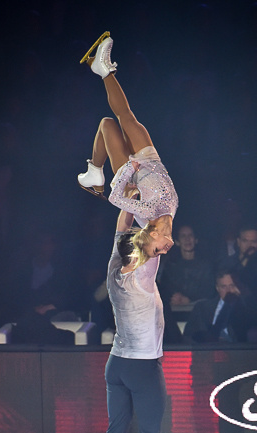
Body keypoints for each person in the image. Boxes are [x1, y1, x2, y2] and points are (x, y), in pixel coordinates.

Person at [86, 193, 171, 433]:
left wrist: (128, 197)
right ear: (139, 256)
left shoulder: (113, 266)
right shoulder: (143, 275)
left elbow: (123, 229)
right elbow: (155, 238)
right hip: (143, 366)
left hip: (116, 364)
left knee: (115, 432)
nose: (154, 251)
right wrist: (146, 205)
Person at [77, 33, 178, 267]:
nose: (163, 251)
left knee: (106, 124)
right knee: (126, 118)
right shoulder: (170, 215)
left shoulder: (150, 211)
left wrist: (128, 172)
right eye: (159, 253)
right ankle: (103, 70)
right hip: (151, 159)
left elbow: (114, 198)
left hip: (130, 171)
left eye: (156, 250)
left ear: (153, 235)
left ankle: (95, 173)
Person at [184, 270, 257, 343]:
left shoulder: (248, 310)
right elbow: (188, 336)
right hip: (207, 356)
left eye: (232, 286)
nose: (228, 291)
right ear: (217, 288)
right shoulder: (201, 308)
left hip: (237, 356)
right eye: (224, 287)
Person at [158, 225, 215, 306]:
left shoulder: (206, 266)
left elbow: (210, 291)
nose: (187, 239)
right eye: (183, 236)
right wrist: (174, 298)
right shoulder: (170, 267)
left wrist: (190, 299)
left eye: (190, 235)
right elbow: (164, 290)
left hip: (199, 311)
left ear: (196, 240)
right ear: (177, 242)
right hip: (175, 312)